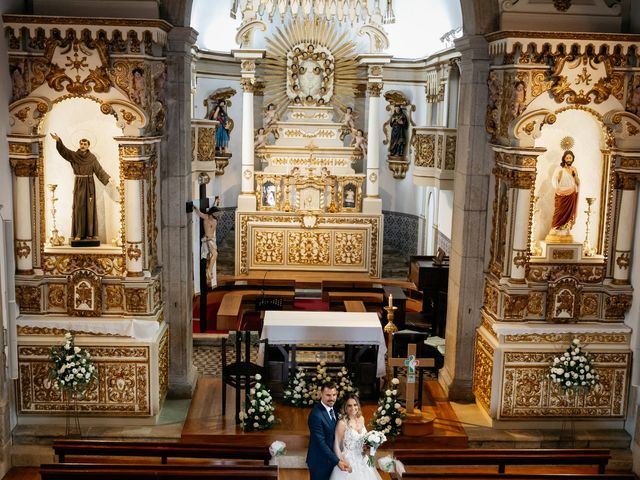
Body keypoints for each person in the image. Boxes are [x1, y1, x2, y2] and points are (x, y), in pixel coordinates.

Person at [50, 133, 117, 242]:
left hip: (89, 184)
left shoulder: (92, 158)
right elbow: (64, 151)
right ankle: (79, 233)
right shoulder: (74, 156)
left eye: (85, 144)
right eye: (81, 143)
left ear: (88, 146)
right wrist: (58, 140)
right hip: (79, 183)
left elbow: (99, 170)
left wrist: (108, 178)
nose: (83, 145)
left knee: (90, 208)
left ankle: (90, 234)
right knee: (79, 208)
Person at [329, 394, 382, 480]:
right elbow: (336, 446)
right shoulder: (342, 423)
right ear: (345, 408)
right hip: (349, 460)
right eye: (349, 405)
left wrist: (368, 447)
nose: (353, 408)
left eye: (355, 405)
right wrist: (341, 461)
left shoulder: (361, 419)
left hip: (363, 458)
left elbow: (365, 439)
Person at [307, 382, 351, 480]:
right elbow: (321, 443)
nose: (331, 398)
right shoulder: (316, 415)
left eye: (334, 395)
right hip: (320, 462)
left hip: (332, 458)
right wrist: (337, 461)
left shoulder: (335, 407)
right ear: (321, 394)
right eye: (328, 395)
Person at [550, 150, 580, 236]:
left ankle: (565, 228)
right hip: (561, 194)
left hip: (571, 194)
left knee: (569, 213)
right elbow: (554, 181)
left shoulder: (574, 169)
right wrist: (558, 180)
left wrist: (576, 178)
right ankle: (555, 228)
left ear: (573, 159)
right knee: (559, 211)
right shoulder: (559, 169)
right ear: (564, 159)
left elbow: (577, 182)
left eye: (570, 158)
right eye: (567, 158)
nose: (569, 159)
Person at [193, 199, 220, 288]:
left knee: (214, 255)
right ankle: (209, 270)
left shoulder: (215, 219)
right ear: (212, 213)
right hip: (207, 240)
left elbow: (214, 207)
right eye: (216, 213)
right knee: (215, 254)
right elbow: (199, 213)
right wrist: (195, 208)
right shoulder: (206, 217)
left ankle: (208, 270)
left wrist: (216, 201)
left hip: (212, 240)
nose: (217, 214)